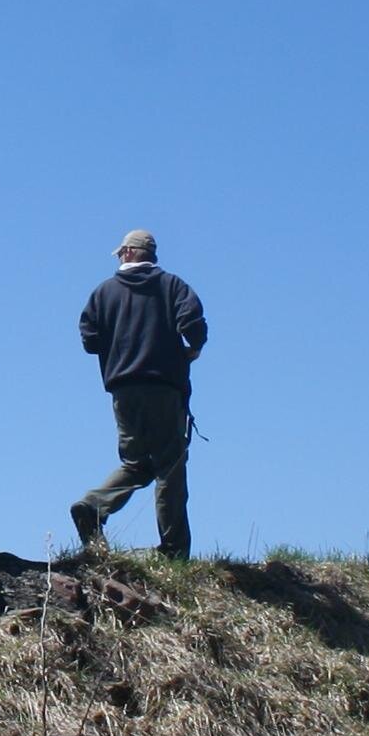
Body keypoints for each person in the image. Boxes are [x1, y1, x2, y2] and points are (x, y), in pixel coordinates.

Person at [67, 229, 208, 559]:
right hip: (163, 386)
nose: (118, 257)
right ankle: (174, 551)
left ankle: (94, 504)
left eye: (120, 252)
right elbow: (193, 322)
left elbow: (89, 338)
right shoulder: (172, 285)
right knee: (170, 467)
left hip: (123, 389)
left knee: (137, 461)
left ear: (129, 253)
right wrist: (193, 349)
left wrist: (118, 350)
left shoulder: (103, 293)